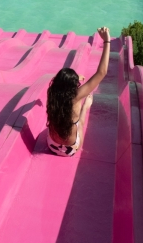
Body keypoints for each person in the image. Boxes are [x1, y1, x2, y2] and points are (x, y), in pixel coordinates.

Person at [46, 27, 111, 157]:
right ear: (73, 88)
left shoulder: (52, 93)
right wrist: (107, 41)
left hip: (51, 145)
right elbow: (101, 72)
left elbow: (57, 81)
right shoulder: (76, 97)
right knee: (79, 120)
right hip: (72, 148)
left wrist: (74, 78)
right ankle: (85, 108)